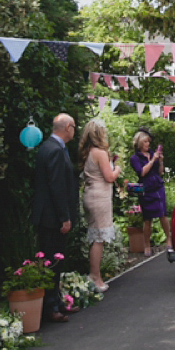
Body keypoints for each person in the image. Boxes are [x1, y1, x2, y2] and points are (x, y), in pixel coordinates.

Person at [31, 113, 77, 323]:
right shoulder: (56, 150)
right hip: (52, 217)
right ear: (67, 127)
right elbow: (57, 186)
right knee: (52, 262)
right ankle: (51, 307)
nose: (74, 131)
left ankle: (56, 302)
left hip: (47, 215)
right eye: (74, 127)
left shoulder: (47, 147)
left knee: (54, 260)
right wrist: (64, 217)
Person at [78, 119, 120, 292]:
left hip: (90, 195)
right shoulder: (100, 152)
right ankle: (95, 276)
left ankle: (95, 275)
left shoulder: (87, 152)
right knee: (99, 238)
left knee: (96, 236)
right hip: (99, 198)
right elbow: (109, 177)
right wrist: (117, 168)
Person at [129, 130, 170, 255]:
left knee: (163, 214)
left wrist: (160, 161)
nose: (148, 144)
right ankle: (146, 244)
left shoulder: (151, 153)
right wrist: (152, 160)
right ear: (140, 142)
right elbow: (141, 172)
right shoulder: (135, 158)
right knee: (147, 219)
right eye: (145, 141)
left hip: (158, 186)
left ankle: (169, 239)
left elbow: (160, 172)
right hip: (146, 189)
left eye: (148, 142)